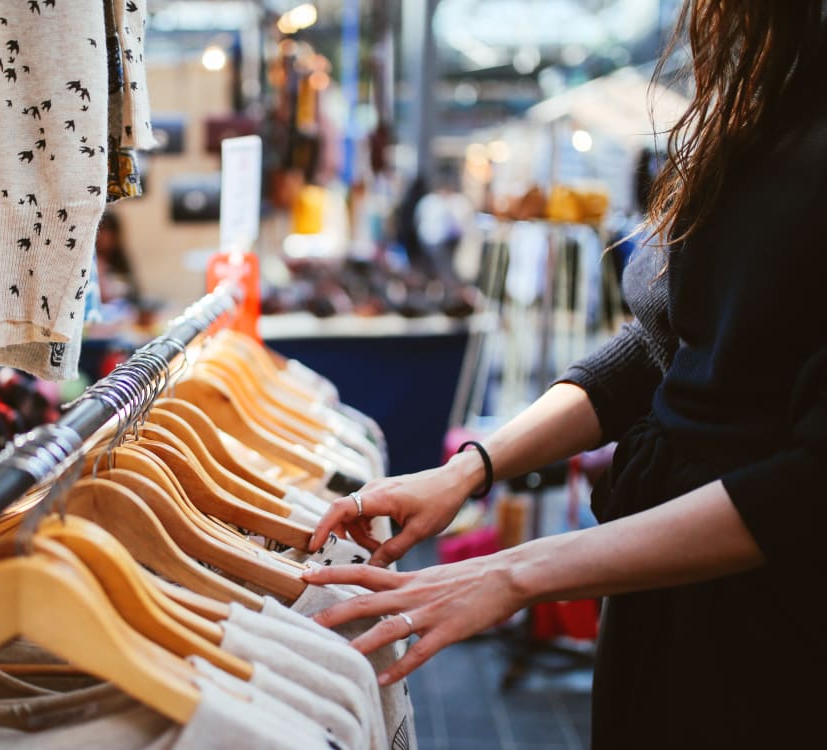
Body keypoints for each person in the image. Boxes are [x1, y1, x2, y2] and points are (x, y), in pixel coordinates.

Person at [302, 3, 827, 748]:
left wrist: (517, 573)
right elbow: (663, 345)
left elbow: (810, 488)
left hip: (768, 621)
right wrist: (468, 472)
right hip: (660, 589)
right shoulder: (764, 98)